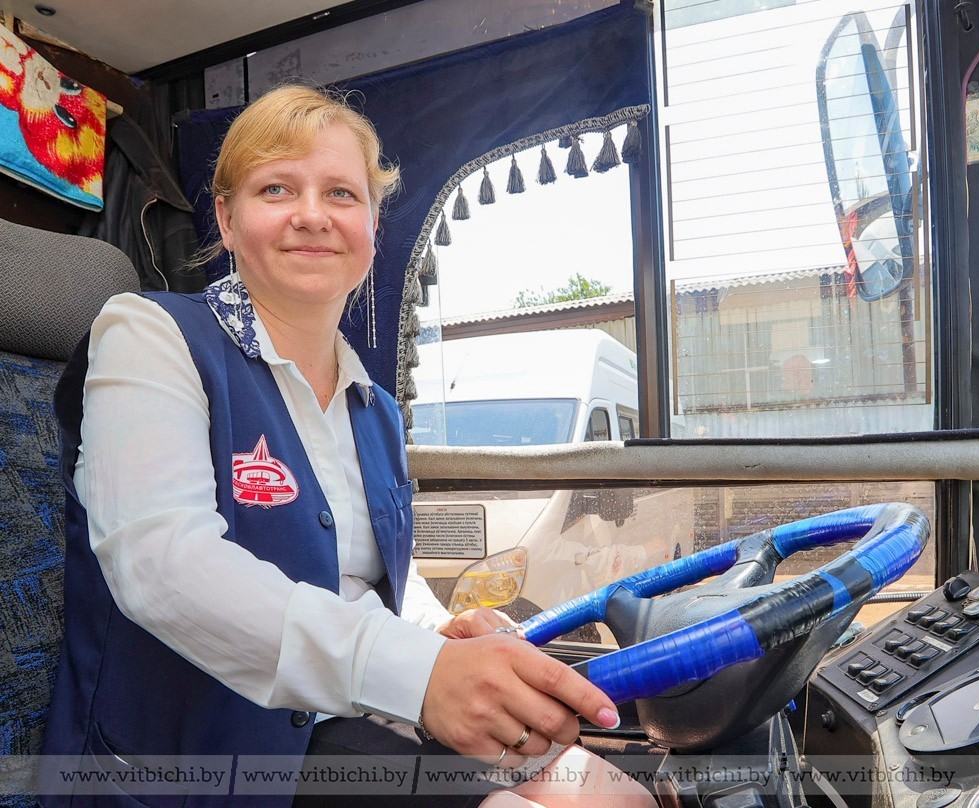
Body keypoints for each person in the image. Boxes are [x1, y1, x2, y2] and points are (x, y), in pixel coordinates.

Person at [40, 84, 656, 808]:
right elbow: (162, 563)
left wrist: (438, 630)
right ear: (227, 219)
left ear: (370, 224)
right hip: (201, 754)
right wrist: (419, 673)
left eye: (340, 193)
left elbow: (368, 578)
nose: (312, 214)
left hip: (354, 719)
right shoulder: (150, 336)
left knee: (613, 794)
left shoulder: (376, 409)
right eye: (277, 189)